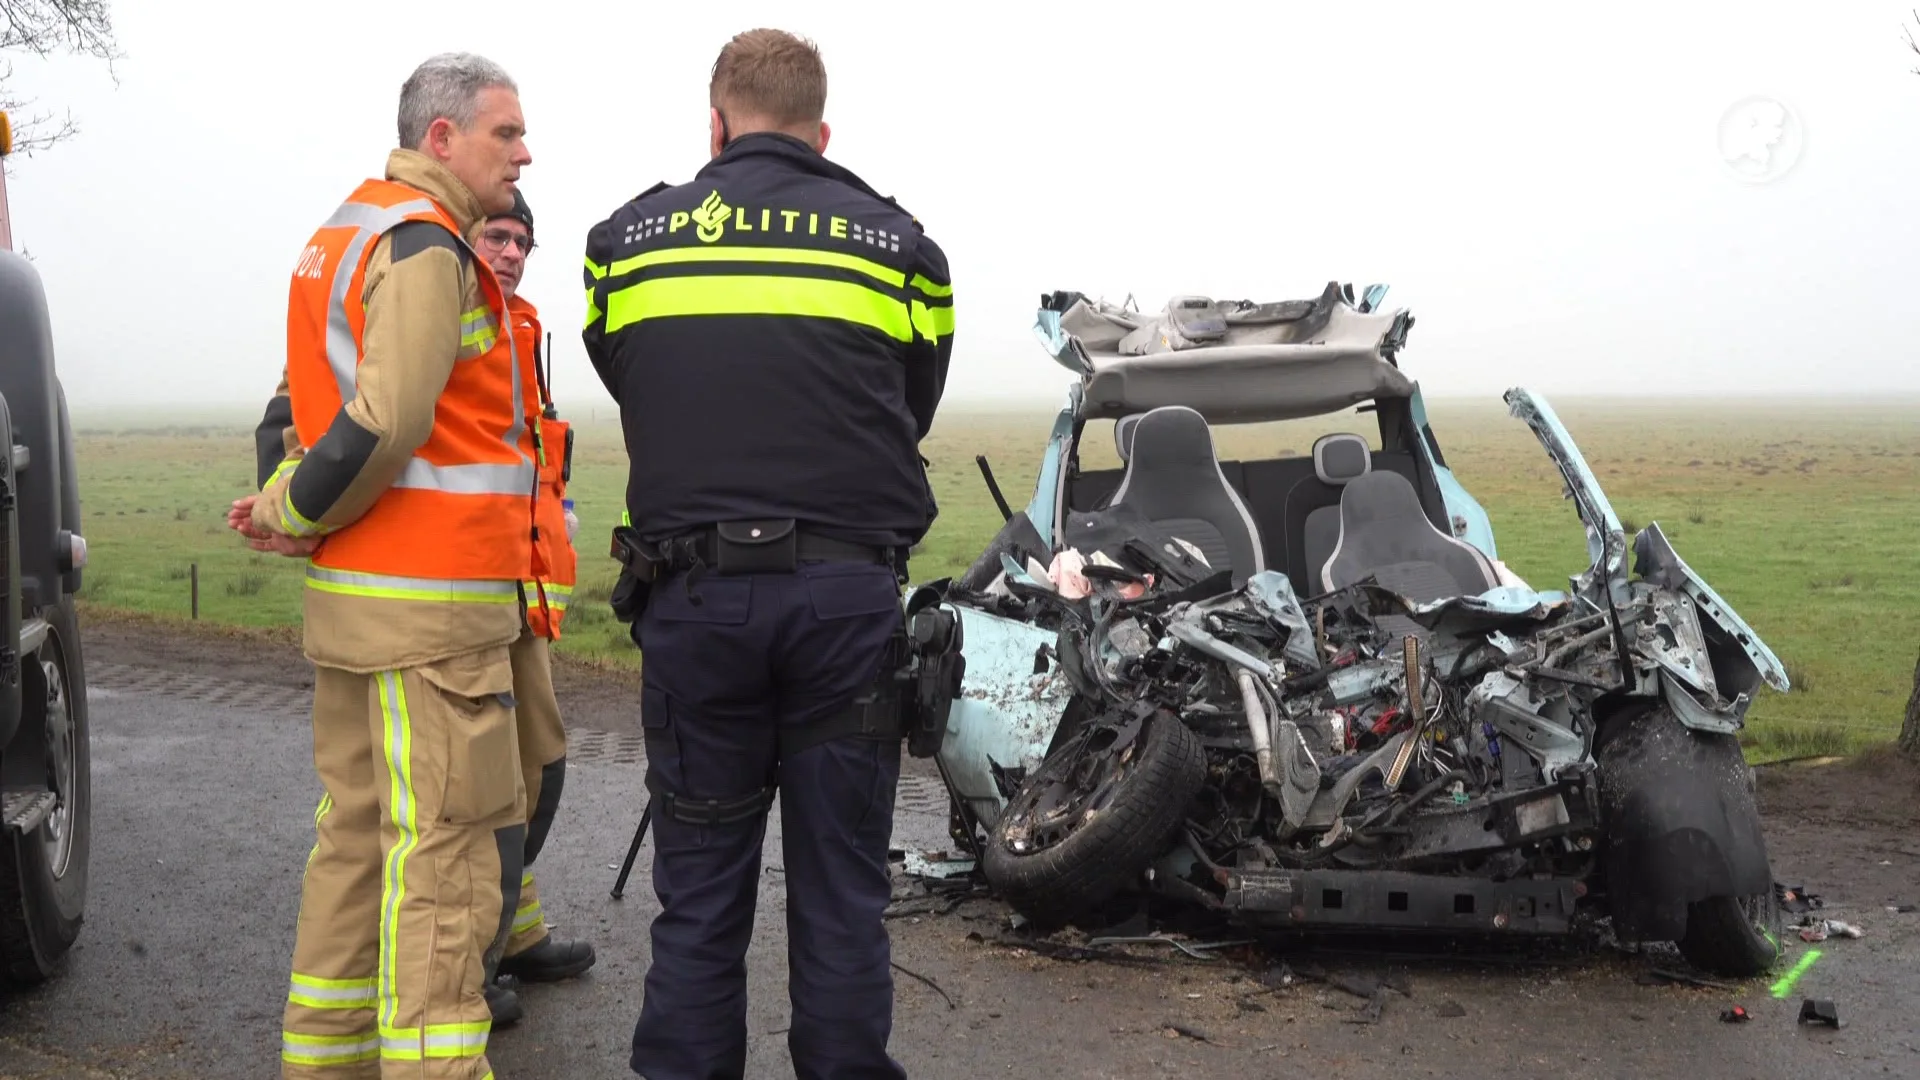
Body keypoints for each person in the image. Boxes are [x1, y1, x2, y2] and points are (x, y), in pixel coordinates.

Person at [580, 28, 955, 1080]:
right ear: (823, 133)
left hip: (694, 601)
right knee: (842, 893)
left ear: (715, 120)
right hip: (844, 601)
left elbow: (631, 374)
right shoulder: (900, 249)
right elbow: (906, 407)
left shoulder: (626, 244)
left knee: (697, 897)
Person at [228, 51, 537, 1079]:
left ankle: (324, 1061)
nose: (524, 151)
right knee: (444, 861)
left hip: (360, 607)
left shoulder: (342, 232)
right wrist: (292, 508)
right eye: (506, 132)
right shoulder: (425, 243)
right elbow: (389, 419)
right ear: (440, 138)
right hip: (433, 619)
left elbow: (300, 404)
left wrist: (290, 506)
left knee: (356, 840)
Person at [245, 189, 599, 1033]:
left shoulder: (516, 328)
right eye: (498, 236)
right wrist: (283, 507)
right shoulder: (417, 283)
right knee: (453, 805)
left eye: (522, 240)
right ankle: (468, 971)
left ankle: (511, 935)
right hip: (434, 594)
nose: (510, 252)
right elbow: (304, 417)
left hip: (507, 587)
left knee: (528, 770)